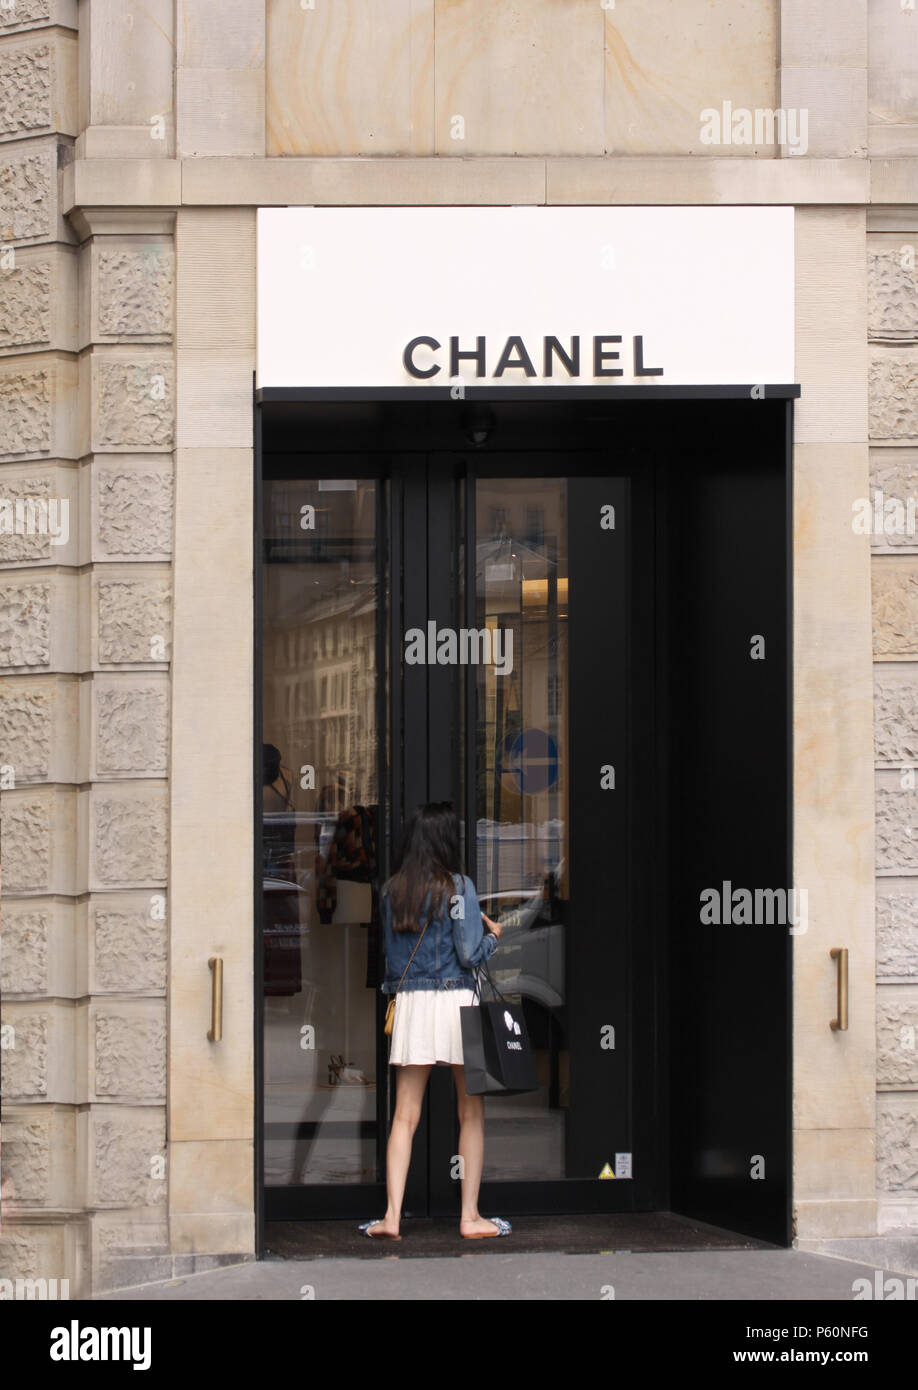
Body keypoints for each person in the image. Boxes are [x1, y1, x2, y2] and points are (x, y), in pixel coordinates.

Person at [359, 802, 509, 1240]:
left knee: (404, 1115)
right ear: (447, 840)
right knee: (471, 1111)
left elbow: (389, 959)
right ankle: (469, 1217)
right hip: (456, 1002)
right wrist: (494, 939)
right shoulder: (459, 888)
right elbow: (467, 955)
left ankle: (390, 1217)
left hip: (411, 1004)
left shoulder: (391, 891)